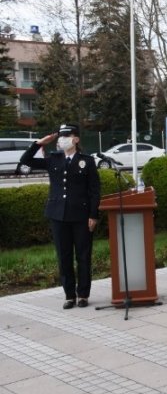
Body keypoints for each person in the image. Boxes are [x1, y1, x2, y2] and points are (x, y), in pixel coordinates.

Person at [19, 123, 100, 309]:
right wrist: (39, 143)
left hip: (81, 216)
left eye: (67, 135)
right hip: (58, 215)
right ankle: (69, 295)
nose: (62, 139)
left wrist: (93, 215)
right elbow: (26, 160)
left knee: (83, 256)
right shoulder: (53, 159)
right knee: (63, 257)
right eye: (61, 136)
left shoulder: (86, 161)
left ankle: (83, 295)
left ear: (76, 139)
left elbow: (94, 191)